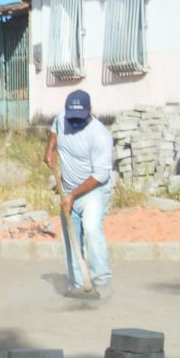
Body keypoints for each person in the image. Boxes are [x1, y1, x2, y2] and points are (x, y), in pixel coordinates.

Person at [46, 88, 115, 300]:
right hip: (68, 189)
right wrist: (49, 150)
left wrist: (73, 196)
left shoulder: (100, 135)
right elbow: (55, 130)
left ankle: (101, 281)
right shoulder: (61, 119)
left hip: (93, 190)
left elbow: (101, 175)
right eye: (71, 118)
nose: (74, 123)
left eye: (79, 119)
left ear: (90, 112)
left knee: (92, 231)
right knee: (70, 237)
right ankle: (78, 283)